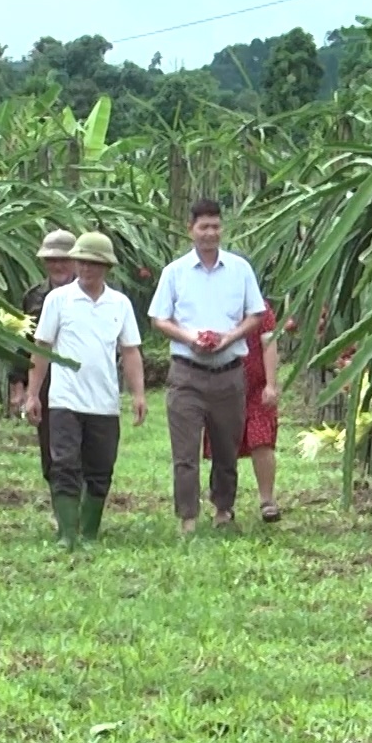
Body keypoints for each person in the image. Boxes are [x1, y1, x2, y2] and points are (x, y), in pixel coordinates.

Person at [147, 199, 266, 533]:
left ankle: (223, 510)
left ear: (222, 228)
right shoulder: (175, 273)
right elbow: (159, 318)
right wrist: (189, 337)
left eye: (216, 226)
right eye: (204, 227)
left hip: (228, 373)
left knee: (226, 449)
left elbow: (255, 314)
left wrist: (230, 337)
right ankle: (187, 517)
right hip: (187, 372)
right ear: (191, 230)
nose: (210, 233)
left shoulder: (240, 269)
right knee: (185, 452)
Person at [23, 231, 146, 548]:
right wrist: (33, 393)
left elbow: (130, 351)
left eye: (94, 263)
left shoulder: (119, 304)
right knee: (64, 462)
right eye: (82, 262)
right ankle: (67, 533)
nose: (87, 269)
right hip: (64, 398)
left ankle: (89, 532)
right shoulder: (57, 301)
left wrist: (138, 394)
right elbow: (42, 348)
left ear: (107, 267)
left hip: (104, 401)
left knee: (100, 466)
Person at [204, 300, 282, 522]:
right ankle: (222, 505)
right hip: (223, 384)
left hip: (256, 388)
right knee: (223, 445)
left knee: (262, 440)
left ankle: (267, 500)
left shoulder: (260, 307)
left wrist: (270, 384)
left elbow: (269, 343)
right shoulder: (213, 304)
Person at [9, 229, 77, 485]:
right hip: (45, 377)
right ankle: (61, 501)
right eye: (52, 260)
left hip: (81, 376)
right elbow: (23, 341)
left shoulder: (93, 294)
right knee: (50, 444)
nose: (58, 265)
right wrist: (19, 385)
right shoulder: (33, 296)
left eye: (64, 259)